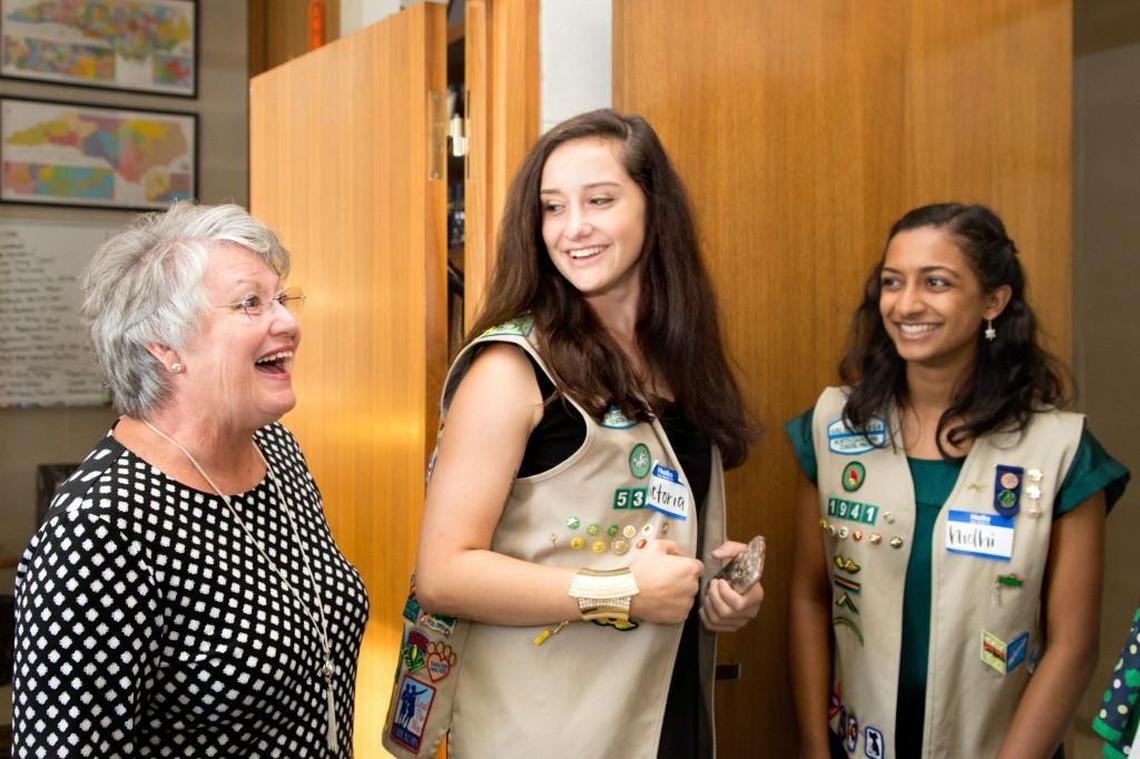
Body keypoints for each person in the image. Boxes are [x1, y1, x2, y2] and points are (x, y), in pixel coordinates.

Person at [381, 109, 763, 759]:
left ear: (655, 209)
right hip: (546, 730)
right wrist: (623, 590)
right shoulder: (511, 369)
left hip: (664, 713)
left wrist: (713, 592)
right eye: (553, 207)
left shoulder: (681, 364)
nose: (572, 227)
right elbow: (445, 573)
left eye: (600, 200)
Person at [11, 203, 369, 756]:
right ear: (164, 346)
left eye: (280, 298)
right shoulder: (97, 530)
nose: (289, 322)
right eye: (250, 303)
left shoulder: (277, 451)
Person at [787, 203, 1130, 758]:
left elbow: (1073, 646)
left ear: (993, 301)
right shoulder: (833, 428)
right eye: (893, 283)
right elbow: (808, 597)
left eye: (936, 283)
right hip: (858, 740)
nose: (907, 304)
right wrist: (812, 747)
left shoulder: (1061, 450)